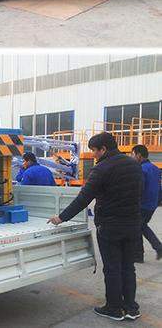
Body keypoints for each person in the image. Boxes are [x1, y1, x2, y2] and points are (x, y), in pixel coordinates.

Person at [48, 132, 143, 321]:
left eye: (94, 150)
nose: (93, 154)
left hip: (111, 226)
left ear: (103, 149)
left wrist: (61, 217)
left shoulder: (102, 168)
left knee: (112, 268)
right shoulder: (134, 165)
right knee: (128, 267)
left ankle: (114, 308)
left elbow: (83, 199)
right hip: (133, 224)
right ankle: (131, 308)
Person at [131, 144, 162, 262]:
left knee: (137, 227)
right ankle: (156, 248)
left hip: (142, 204)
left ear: (139, 155)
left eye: (132, 154)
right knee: (141, 226)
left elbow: (140, 188)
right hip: (152, 204)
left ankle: (139, 255)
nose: (131, 157)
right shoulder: (155, 168)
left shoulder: (141, 169)